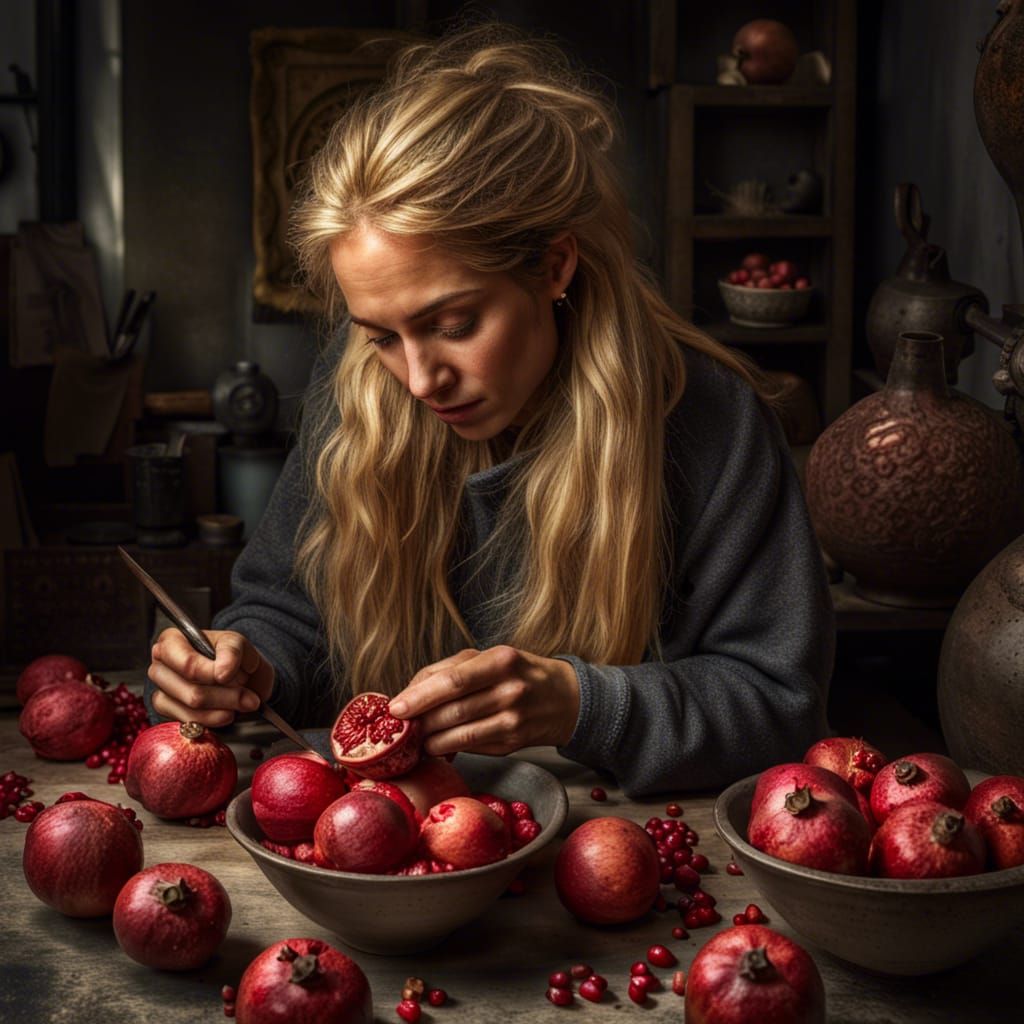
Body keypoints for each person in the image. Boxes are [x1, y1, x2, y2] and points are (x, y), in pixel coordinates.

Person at [145, 23, 834, 795]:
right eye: (378, 336)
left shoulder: (709, 420)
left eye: (453, 325)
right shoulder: (362, 390)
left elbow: (781, 705)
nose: (417, 379)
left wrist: (586, 705)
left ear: (553, 265)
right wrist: (247, 664)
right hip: (387, 842)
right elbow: (286, 612)